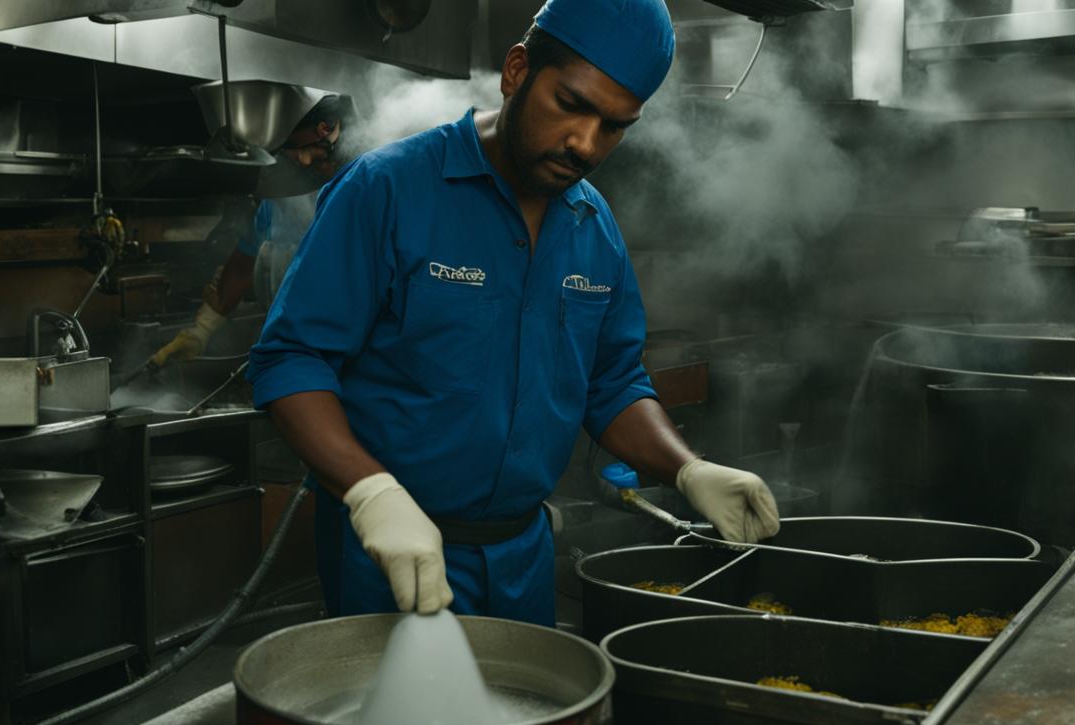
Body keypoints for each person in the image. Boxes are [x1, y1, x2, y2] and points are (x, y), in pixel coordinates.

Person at [248, 0, 781, 626]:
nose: (585, 143)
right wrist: (371, 495)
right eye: (572, 105)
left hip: (524, 563)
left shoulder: (594, 226)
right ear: (517, 71)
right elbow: (291, 362)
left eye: (613, 126)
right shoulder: (386, 190)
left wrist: (688, 470)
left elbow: (611, 385)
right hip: (392, 555)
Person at [149, 94, 353, 368]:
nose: (301, 161)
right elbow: (244, 264)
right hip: (297, 348)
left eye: (300, 145)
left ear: (326, 129)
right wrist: (202, 330)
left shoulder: (361, 187)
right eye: (288, 150)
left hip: (348, 346)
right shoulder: (284, 195)